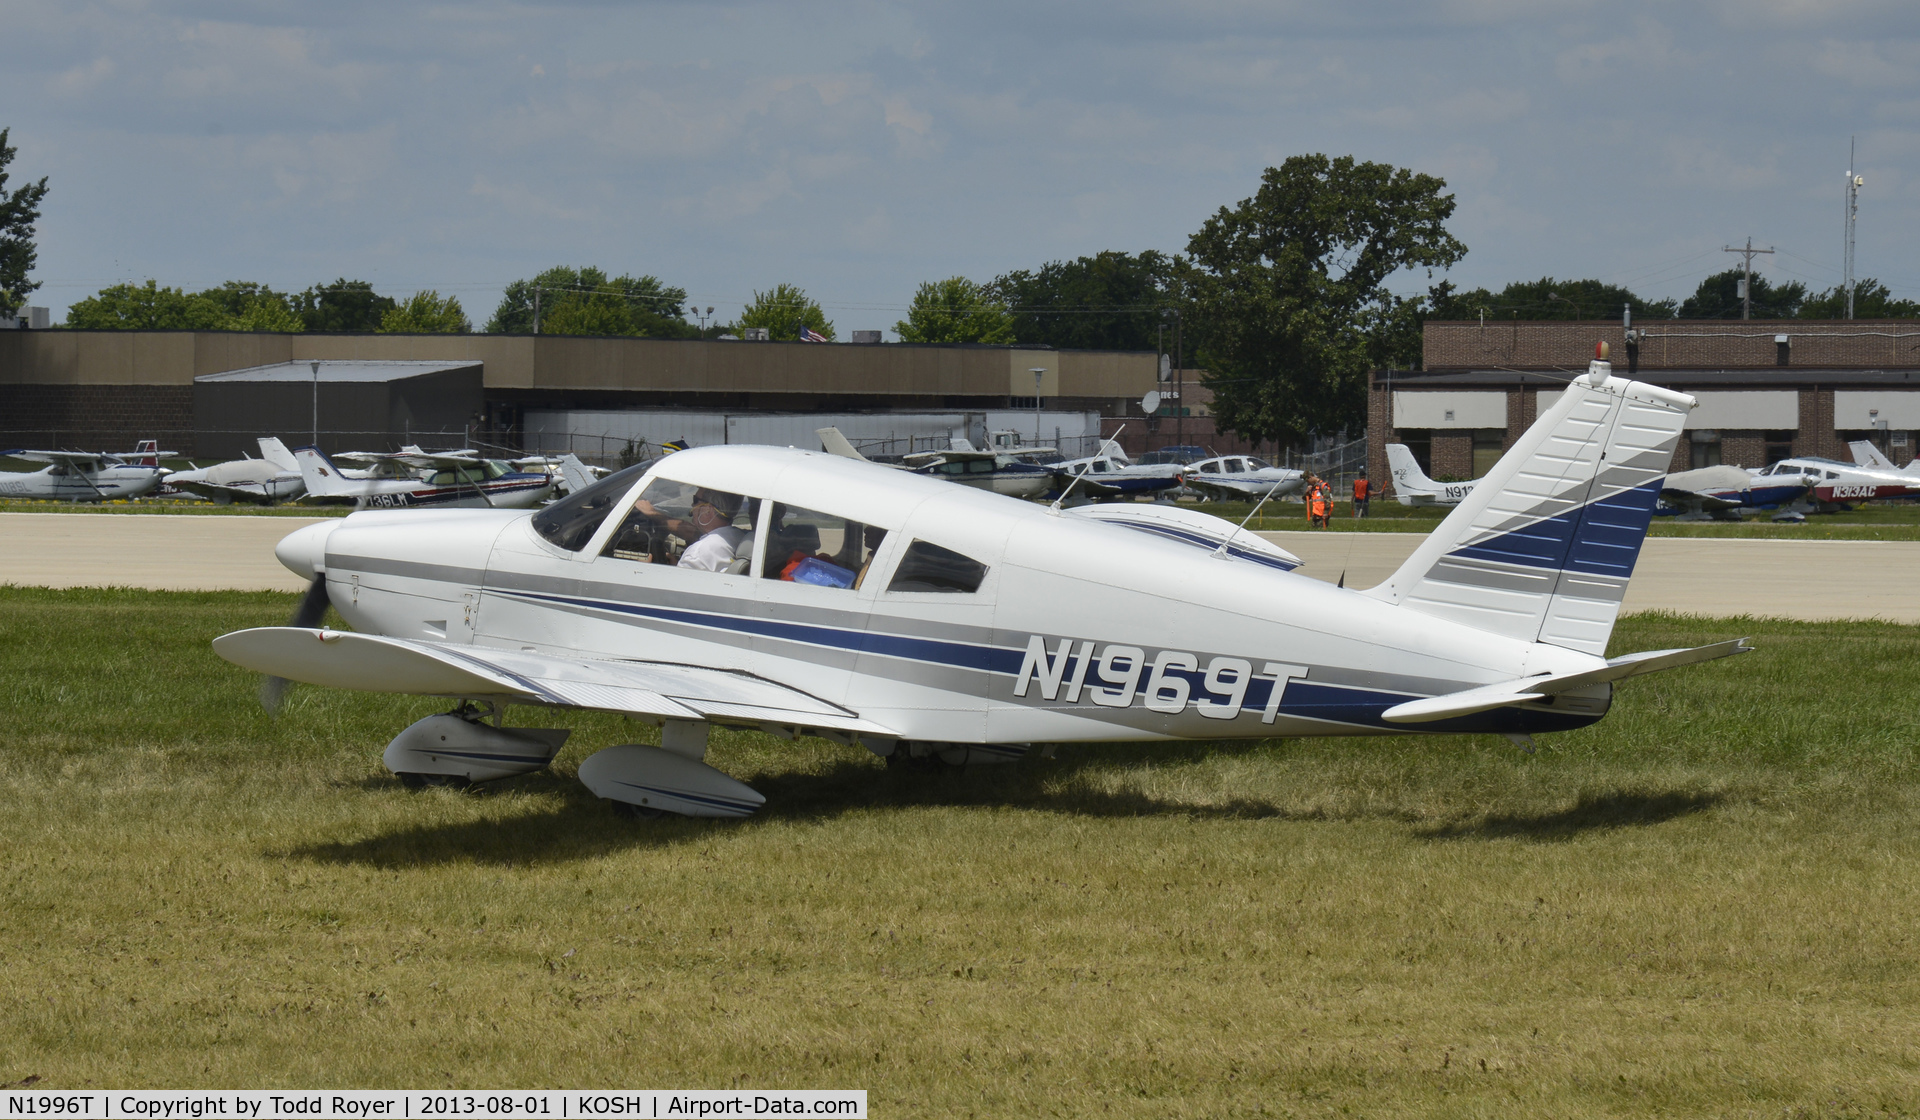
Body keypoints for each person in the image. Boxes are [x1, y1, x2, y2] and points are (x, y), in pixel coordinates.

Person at [633, 488, 746, 571]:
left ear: (707, 510)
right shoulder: (737, 537)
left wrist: (645, 571)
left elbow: (671, 597)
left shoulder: (697, 554)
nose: (692, 505)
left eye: (696, 500)